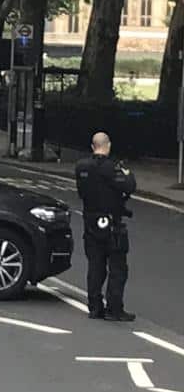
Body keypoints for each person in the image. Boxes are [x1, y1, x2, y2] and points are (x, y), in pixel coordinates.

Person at [75, 132, 137, 321]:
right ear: (108, 145)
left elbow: (81, 192)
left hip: (90, 221)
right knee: (118, 268)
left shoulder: (81, 167)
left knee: (95, 266)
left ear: (93, 146)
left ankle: (94, 307)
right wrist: (127, 175)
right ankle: (114, 308)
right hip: (112, 224)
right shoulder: (112, 168)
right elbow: (128, 186)